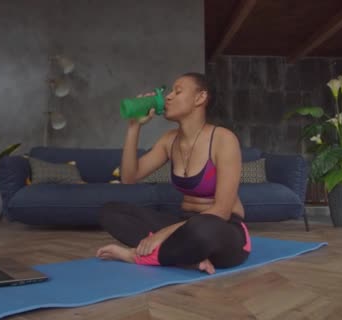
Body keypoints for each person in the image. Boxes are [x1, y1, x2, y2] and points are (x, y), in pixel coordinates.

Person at [96, 72, 251, 274]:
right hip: (183, 225)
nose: (168, 97)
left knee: (202, 230)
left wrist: (162, 234)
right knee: (111, 212)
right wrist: (134, 127)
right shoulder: (169, 140)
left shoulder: (223, 139)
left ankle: (135, 256)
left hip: (223, 229)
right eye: (170, 92)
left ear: (200, 98)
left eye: (177, 92)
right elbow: (129, 177)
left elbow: (221, 211)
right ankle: (187, 259)